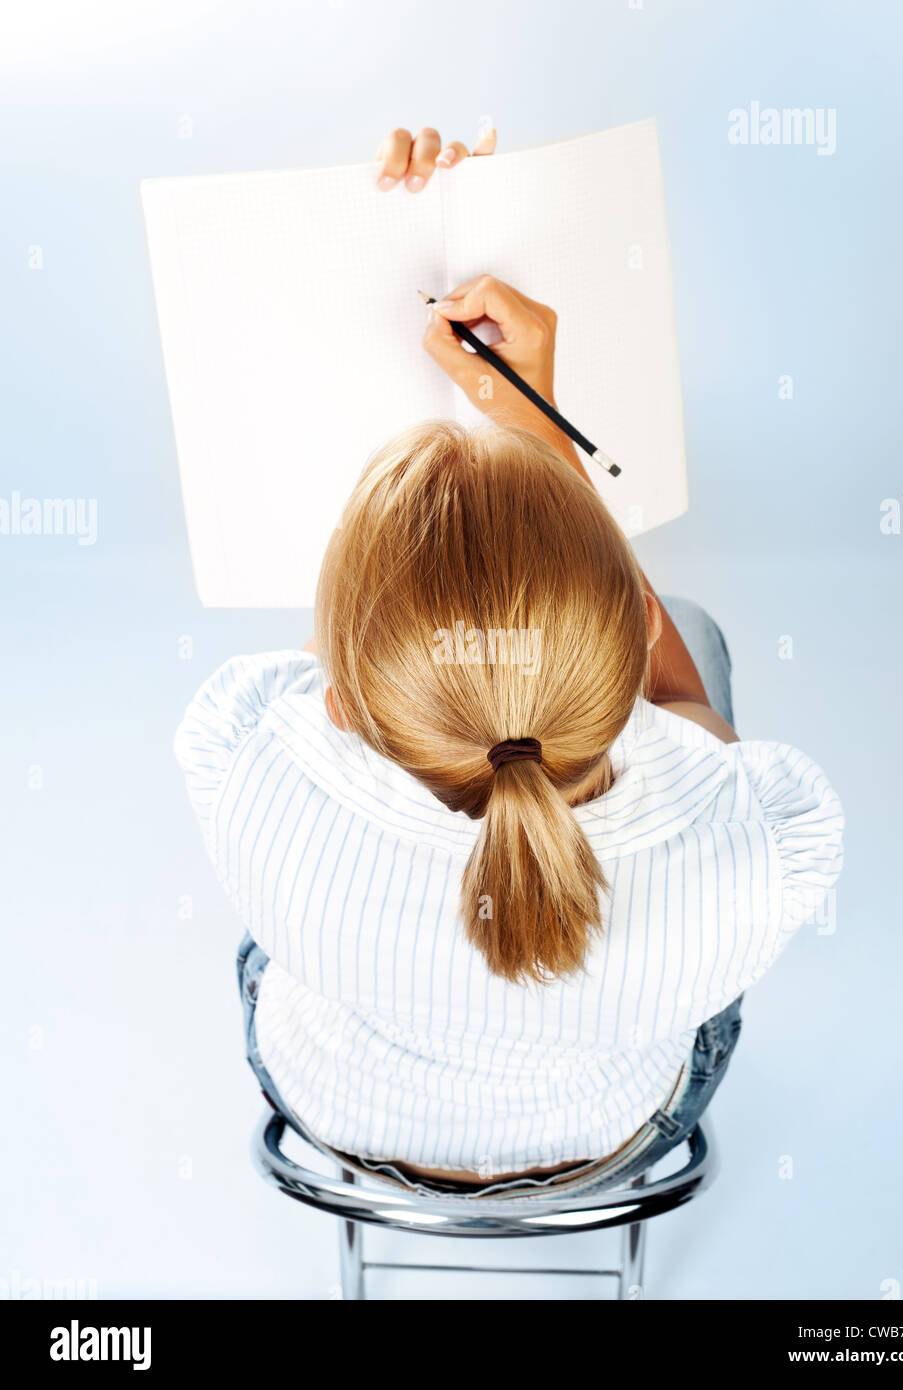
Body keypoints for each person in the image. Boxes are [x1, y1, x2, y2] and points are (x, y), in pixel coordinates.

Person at [175, 126, 843, 1194]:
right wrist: (524, 406)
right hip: (611, 1136)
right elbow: (685, 707)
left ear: (339, 696)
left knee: (266, 945)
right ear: (625, 630)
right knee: (706, 644)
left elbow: (354, 647)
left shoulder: (252, 762)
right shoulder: (742, 843)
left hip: (334, 1116)